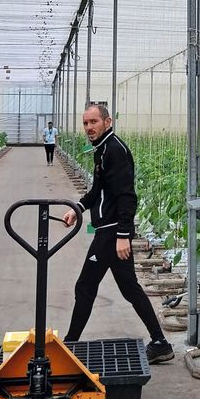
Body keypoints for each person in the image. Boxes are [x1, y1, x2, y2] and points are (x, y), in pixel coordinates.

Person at [62, 102, 173, 364]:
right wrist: (78, 208)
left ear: (107, 122)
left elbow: (126, 196)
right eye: (86, 123)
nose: (89, 127)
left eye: (94, 122)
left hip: (111, 233)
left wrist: (123, 234)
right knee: (129, 288)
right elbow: (98, 192)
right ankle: (160, 343)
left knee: (86, 286)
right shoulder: (102, 150)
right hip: (108, 229)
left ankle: (69, 345)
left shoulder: (115, 151)